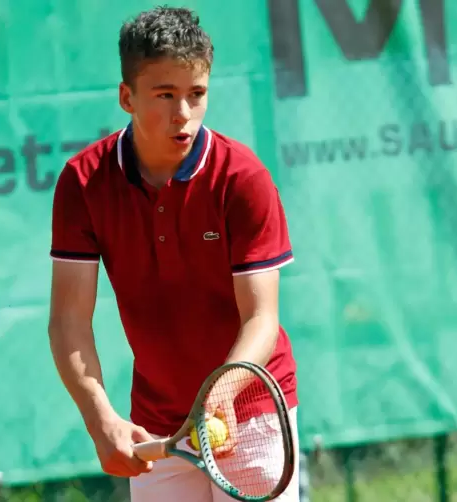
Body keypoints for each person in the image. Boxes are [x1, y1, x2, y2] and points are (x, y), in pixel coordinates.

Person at [47, 6, 300, 501]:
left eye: (196, 95)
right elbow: (68, 321)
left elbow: (261, 319)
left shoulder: (243, 179)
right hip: (157, 427)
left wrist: (220, 395)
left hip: (248, 414)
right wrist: (101, 418)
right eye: (164, 95)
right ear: (127, 97)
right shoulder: (83, 183)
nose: (182, 114)